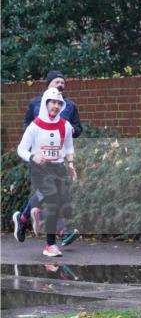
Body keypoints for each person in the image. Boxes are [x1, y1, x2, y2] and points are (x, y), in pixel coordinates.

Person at [12, 70, 82, 246]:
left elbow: (77, 128)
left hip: (58, 157)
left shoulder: (69, 105)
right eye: (56, 81)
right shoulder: (35, 103)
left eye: (63, 82)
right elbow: (28, 125)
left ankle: (25, 216)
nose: (60, 85)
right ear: (48, 85)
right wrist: (33, 151)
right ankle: (58, 234)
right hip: (39, 157)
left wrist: (72, 131)